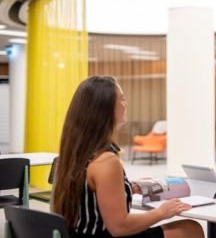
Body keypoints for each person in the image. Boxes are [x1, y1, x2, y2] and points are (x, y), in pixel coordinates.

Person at [52, 76, 204, 238]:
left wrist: (130, 187)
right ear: (105, 108)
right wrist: (162, 212)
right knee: (189, 229)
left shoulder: (76, 154)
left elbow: (90, 198)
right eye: (122, 99)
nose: (127, 104)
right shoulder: (107, 161)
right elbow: (119, 226)